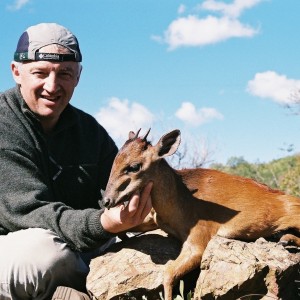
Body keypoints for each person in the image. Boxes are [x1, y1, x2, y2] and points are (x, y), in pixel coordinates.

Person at [0, 23, 153, 300]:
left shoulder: (89, 130)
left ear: (78, 76)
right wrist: (104, 224)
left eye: (64, 74)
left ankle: (73, 288)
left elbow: (115, 190)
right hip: (19, 242)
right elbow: (31, 213)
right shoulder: (4, 123)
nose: (52, 86)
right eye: (40, 73)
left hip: (76, 242)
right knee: (41, 255)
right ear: (16, 72)